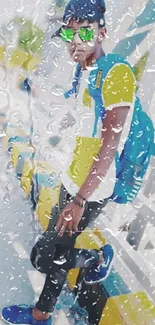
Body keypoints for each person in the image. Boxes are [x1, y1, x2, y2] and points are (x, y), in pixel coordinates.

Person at [2, 0, 138, 324]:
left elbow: (109, 145)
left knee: (50, 254)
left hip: (90, 190)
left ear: (101, 31)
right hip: (70, 179)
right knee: (50, 254)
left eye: (85, 30)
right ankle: (57, 297)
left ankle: (54, 300)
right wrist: (33, 89)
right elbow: (71, 110)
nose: (75, 40)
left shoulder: (116, 73)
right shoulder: (83, 72)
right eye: (69, 31)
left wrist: (79, 200)